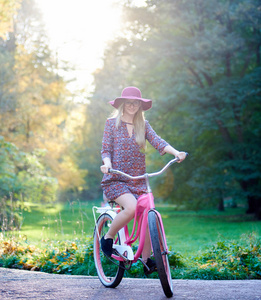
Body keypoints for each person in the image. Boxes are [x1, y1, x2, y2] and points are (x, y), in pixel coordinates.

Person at [100, 86, 186, 275]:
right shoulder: (111, 123)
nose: (132, 106)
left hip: (138, 179)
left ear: (140, 105)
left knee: (149, 214)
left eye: (135, 103)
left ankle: (147, 261)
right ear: (122, 104)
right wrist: (106, 164)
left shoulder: (143, 125)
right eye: (128, 102)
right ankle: (108, 237)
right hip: (116, 178)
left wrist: (176, 152)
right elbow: (106, 149)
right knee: (131, 208)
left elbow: (158, 141)